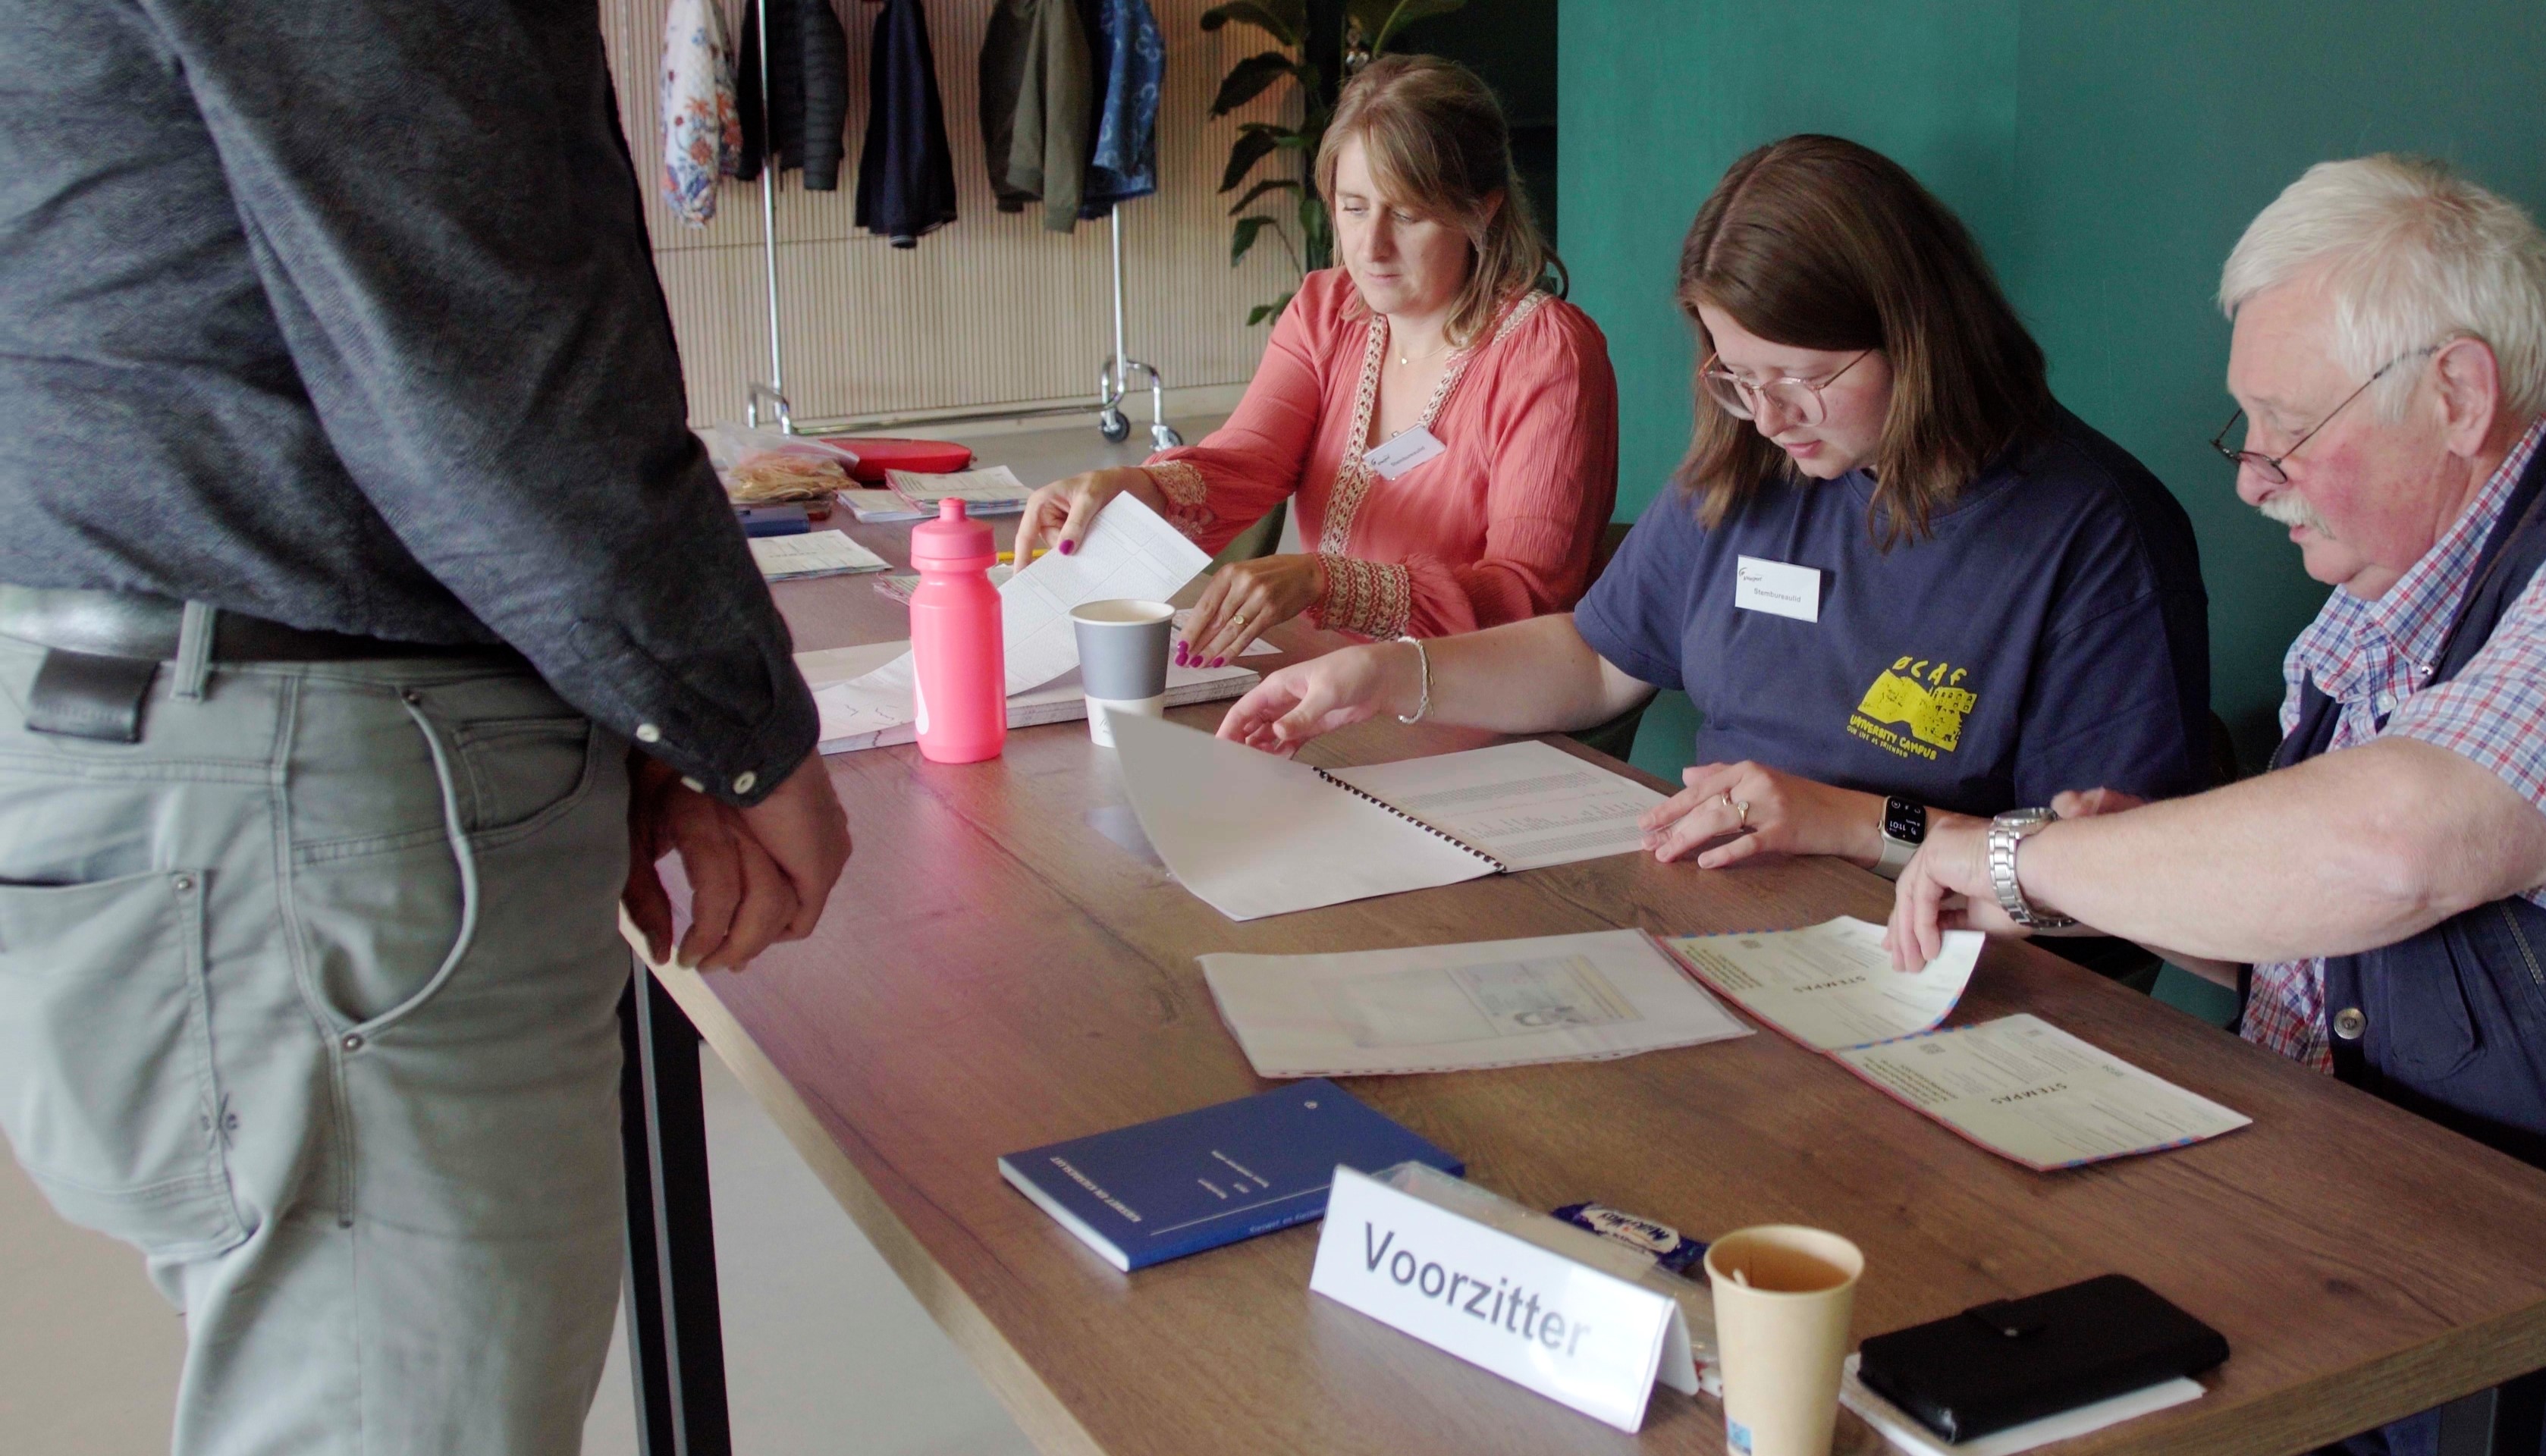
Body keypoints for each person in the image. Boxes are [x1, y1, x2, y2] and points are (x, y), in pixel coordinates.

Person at [1887, 155, 2546, 1454]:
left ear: (2459, 394)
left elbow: (2386, 850)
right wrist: (2119, 869)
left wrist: (2022, 859)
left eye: (2288, 427)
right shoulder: (2389, 605)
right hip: (2399, 1296)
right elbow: (2328, 933)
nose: (2253, 475)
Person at [0, 3, 852, 1453]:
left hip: (184, 715)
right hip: (308, 762)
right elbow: (487, 367)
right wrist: (734, 726)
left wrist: (650, 709)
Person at [1221, 135, 2213, 935]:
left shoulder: (2093, 532)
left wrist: (1853, 826)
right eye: (1738, 377)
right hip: (1723, 922)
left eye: (1806, 376)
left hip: (1948, 971)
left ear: (1921, 334)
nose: (1771, 414)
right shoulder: (1758, 462)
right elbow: (1596, 659)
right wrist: (1389, 676)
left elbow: (2124, 890)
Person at [1014, 55, 1618, 667]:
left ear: (1481, 210)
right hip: (1322, 675)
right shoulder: (1327, 311)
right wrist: (1135, 487)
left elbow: (1528, 597)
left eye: (1406, 214)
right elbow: (1248, 462)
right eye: (1354, 207)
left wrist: (1327, 581)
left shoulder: (1547, 355)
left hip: (1463, 695)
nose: (1371, 246)